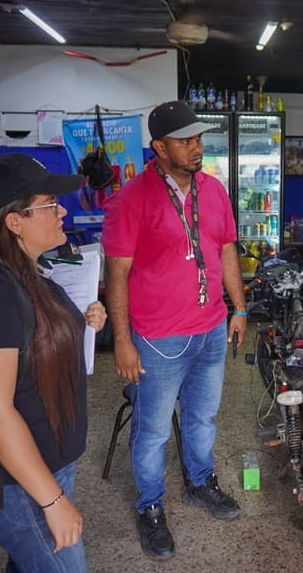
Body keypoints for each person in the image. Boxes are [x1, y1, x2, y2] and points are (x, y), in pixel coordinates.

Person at [101, 101, 248, 559]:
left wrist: (238, 308)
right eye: (185, 141)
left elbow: (225, 250)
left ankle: (200, 483)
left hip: (209, 330)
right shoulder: (131, 199)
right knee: (153, 432)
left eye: (199, 138)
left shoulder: (214, 190)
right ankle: (150, 507)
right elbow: (117, 275)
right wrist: (122, 342)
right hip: (159, 340)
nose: (197, 147)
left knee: (203, 418)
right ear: (159, 148)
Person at [0, 153, 107, 572]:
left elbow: (34, 341)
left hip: (48, 465)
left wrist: (85, 319)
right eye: (49, 204)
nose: (63, 211)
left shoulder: (26, 269)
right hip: (22, 484)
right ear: (14, 221)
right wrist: (53, 501)